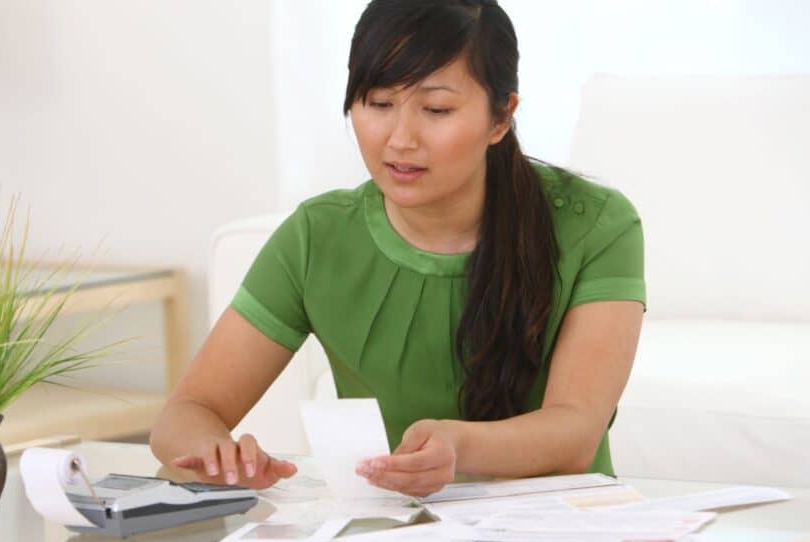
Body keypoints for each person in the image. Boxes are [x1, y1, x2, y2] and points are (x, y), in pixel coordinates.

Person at [150, 0, 645, 497]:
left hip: (561, 535)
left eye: (436, 110)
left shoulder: (596, 225)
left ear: (501, 118)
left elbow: (576, 433)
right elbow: (187, 413)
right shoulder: (316, 237)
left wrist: (456, 444)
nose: (401, 139)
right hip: (388, 540)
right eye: (379, 103)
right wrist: (219, 455)